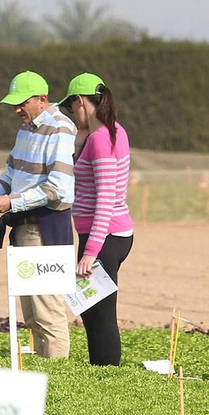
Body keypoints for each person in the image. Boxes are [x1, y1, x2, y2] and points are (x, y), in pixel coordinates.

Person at [0, 71, 76, 358]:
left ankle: (59, 380)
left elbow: (59, 188)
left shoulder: (61, 128)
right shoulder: (26, 129)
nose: (16, 109)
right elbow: (11, 176)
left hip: (46, 227)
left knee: (47, 312)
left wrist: (12, 203)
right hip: (24, 228)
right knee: (33, 314)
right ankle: (43, 374)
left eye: (21, 103)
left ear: (42, 99)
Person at [60, 73, 134, 367]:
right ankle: (100, 371)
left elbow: (105, 198)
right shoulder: (113, 132)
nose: (71, 114)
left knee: (101, 316)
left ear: (81, 101)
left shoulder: (101, 140)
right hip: (109, 235)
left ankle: (107, 377)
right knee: (90, 312)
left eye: (70, 108)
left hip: (103, 238)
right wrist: (80, 139)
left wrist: (90, 253)